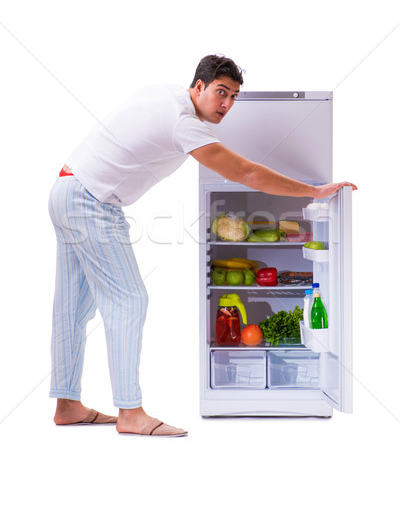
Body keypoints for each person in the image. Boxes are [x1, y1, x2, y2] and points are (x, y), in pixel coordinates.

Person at [48, 54, 357, 437]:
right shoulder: (185, 126)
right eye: (220, 93)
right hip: (91, 201)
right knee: (130, 300)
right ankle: (130, 412)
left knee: (72, 308)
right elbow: (247, 172)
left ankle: (67, 405)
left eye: (234, 96)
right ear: (199, 87)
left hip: (65, 188)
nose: (226, 104)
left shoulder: (162, 94)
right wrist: (313, 191)